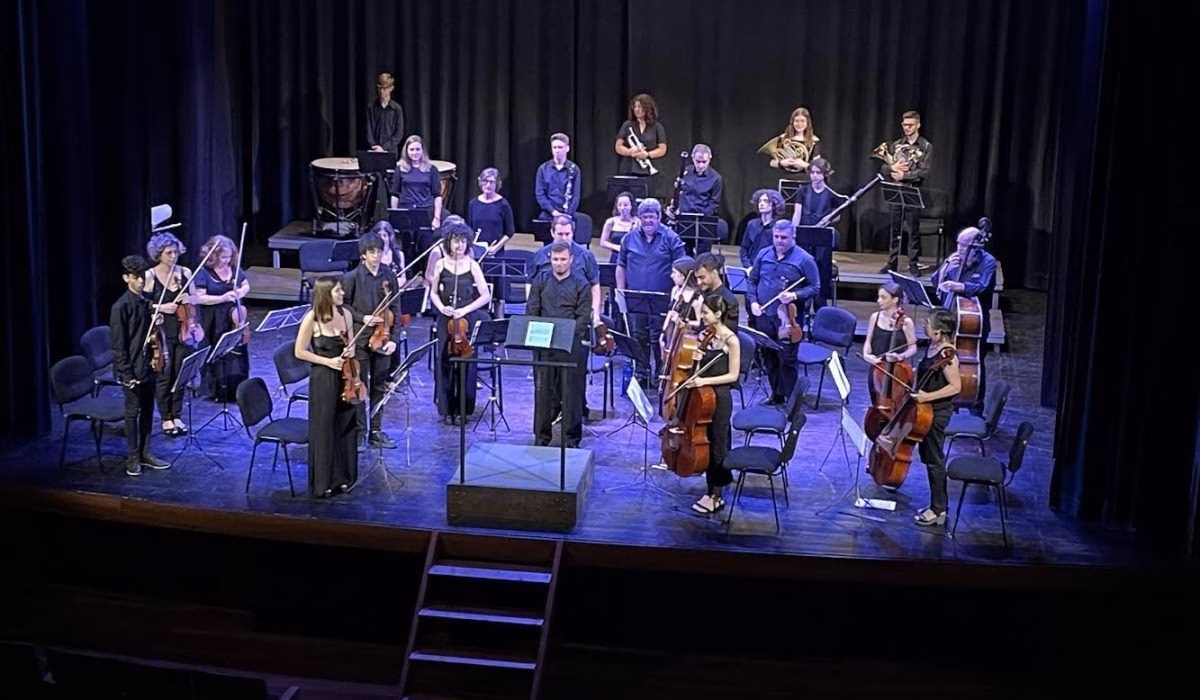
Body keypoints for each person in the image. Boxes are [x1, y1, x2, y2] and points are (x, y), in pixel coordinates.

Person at [674, 294, 741, 515]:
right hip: (703, 396)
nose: (701, 316)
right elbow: (696, 371)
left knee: (718, 444)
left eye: (705, 313)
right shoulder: (705, 336)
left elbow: (733, 376)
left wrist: (704, 381)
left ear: (718, 314)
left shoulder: (731, 340)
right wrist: (696, 360)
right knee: (706, 444)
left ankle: (717, 495)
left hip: (720, 398)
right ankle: (708, 489)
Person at [293, 277, 359, 498]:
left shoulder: (345, 314)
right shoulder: (312, 318)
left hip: (346, 376)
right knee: (324, 428)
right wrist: (328, 362)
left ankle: (343, 477)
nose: (342, 294)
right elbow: (300, 352)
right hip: (323, 376)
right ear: (325, 294)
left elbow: (351, 343)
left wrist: (351, 351)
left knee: (345, 425)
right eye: (338, 291)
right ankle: (323, 482)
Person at [746, 220, 821, 405]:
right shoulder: (763, 254)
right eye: (776, 237)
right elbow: (752, 281)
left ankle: (792, 401)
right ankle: (776, 395)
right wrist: (754, 302)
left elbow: (816, 287)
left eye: (784, 238)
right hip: (765, 315)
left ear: (793, 237)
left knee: (787, 360)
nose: (779, 241)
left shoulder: (804, 259)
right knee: (769, 356)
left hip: (788, 318)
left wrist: (795, 294)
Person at [528, 241, 593, 448]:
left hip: (570, 345)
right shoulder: (541, 280)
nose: (559, 263)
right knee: (543, 393)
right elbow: (532, 310)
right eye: (555, 259)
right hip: (544, 344)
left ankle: (572, 439)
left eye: (563, 259)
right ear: (550, 259)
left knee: (571, 393)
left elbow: (583, 317)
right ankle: (541, 437)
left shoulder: (581, 284)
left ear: (571, 260)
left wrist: (564, 335)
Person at [615, 198, 687, 385]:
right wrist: (620, 292)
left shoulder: (671, 238)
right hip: (635, 298)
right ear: (638, 218)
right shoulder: (628, 239)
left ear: (659, 217)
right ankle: (642, 372)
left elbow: (683, 269)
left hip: (662, 299)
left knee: (658, 337)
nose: (648, 221)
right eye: (644, 217)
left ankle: (659, 373)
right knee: (638, 336)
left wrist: (678, 296)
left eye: (651, 217)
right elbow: (620, 266)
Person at [110, 255, 170, 476]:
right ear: (126, 278)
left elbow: (150, 333)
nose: (141, 281)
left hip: (148, 365)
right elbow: (118, 346)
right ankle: (132, 457)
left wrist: (157, 322)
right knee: (132, 413)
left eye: (143, 276)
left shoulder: (146, 302)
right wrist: (126, 373)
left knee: (147, 411)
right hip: (132, 369)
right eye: (136, 277)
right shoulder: (120, 307)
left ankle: (146, 453)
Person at [341, 231, 401, 449]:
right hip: (360, 338)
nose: (376, 256)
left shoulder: (389, 276)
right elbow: (343, 306)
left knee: (378, 386)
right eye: (371, 252)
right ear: (363, 255)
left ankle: (376, 430)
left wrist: (393, 338)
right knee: (360, 386)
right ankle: (359, 432)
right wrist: (362, 317)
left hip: (383, 339)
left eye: (378, 251)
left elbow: (395, 307)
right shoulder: (351, 278)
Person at [430, 222, 492, 424]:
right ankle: (447, 409)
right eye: (456, 241)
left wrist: (464, 310)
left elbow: (485, 296)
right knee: (444, 362)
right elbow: (433, 293)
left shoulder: (473, 265)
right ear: (449, 242)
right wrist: (442, 308)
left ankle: (464, 408)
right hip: (446, 318)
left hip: (466, 318)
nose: (460, 245)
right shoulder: (441, 264)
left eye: (464, 241)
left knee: (466, 363)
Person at [931, 226, 997, 414]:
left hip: (974, 323)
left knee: (975, 363)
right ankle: (949, 404)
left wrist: (959, 286)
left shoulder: (988, 262)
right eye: (959, 244)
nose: (959, 249)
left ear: (975, 247)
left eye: (964, 246)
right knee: (947, 362)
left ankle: (975, 405)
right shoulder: (955, 259)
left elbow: (982, 287)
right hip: (952, 319)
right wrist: (945, 269)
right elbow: (937, 283)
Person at [143, 232, 198, 438]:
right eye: (168, 253)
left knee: (180, 375)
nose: (173, 256)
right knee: (165, 377)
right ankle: (166, 417)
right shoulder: (150, 276)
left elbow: (196, 298)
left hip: (184, 330)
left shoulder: (185, 272)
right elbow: (143, 305)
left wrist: (189, 298)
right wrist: (160, 306)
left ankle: (177, 415)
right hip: (162, 333)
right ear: (159, 254)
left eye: (175, 252)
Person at [910, 308, 962, 526]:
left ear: (940, 331)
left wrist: (927, 396)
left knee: (934, 460)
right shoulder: (933, 346)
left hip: (937, 412)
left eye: (928, 322)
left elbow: (956, 387)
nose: (924, 324)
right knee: (929, 457)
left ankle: (938, 509)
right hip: (926, 409)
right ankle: (937, 505)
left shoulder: (947, 354)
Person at [192, 235, 251, 402]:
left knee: (236, 353)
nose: (227, 260)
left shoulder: (234, 268)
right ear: (213, 256)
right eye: (223, 257)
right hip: (213, 320)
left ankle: (237, 389)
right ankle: (216, 390)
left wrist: (240, 292)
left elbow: (246, 285)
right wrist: (223, 298)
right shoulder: (204, 272)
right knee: (216, 353)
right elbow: (199, 298)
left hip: (234, 318)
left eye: (229, 256)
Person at [879, 110, 933, 274]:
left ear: (918, 125)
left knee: (912, 230)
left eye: (910, 125)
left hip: (912, 191)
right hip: (896, 189)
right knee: (895, 228)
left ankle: (913, 263)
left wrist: (905, 175)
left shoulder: (925, 146)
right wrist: (891, 168)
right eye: (904, 125)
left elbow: (925, 171)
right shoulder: (896, 145)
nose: (907, 128)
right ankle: (892, 261)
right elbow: (883, 166)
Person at [669, 144, 728, 255]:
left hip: (703, 222)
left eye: (704, 162)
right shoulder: (685, 172)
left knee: (703, 257)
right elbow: (679, 193)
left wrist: (700, 217)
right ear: (692, 158)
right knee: (684, 255)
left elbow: (714, 203)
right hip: (684, 220)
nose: (701, 165)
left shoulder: (716, 178)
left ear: (710, 159)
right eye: (698, 161)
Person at [861, 281, 918, 397]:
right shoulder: (875, 317)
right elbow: (868, 341)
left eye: (883, 297)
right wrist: (866, 356)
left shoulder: (906, 322)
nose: (879, 301)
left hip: (897, 370)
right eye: (879, 297)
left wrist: (901, 356)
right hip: (876, 368)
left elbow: (913, 347)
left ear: (895, 300)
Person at [535, 133, 592, 240]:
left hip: (568, 214)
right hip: (549, 213)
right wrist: (553, 212)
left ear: (567, 148)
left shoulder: (574, 169)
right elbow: (540, 195)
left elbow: (576, 196)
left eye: (560, 147)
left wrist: (567, 214)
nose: (557, 150)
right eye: (554, 147)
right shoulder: (543, 169)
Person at [614, 93, 667, 195]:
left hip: (650, 171)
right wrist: (630, 152)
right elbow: (618, 146)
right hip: (629, 169)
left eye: (640, 107)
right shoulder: (627, 125)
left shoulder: (657, 127)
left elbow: (662, 149)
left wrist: (647, 154)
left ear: (648, 108)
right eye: (635, 107)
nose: (637, 110)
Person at [390, 134, 443, 232]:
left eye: (418, 149)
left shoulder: (432, 169)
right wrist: (395, 216)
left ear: (423, 150)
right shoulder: (399, 169)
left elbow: (437, 196)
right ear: (406, 151)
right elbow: (395, 194)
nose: (415, 152)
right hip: (406, 212)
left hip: (426, 212)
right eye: (412, 149)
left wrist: (437, 218)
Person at [467, 167, 515, 256]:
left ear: (497, 184)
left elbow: (510, 232)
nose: (488, 185)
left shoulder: (503, 204)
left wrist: (496, 248)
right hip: (476, 252)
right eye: (485, 181)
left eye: (491, 182)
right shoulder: (473, 204)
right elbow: (469, 229)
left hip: (495, 252)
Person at [758, 106, 821, 174]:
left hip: (805, 179)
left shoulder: (814, 141)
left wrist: (803, 164)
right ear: (792, 122)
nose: (799, 124)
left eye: (802, 121)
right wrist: (781, 163)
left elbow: (818, 168)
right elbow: (770, 163)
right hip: (784, 177)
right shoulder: (783, 138)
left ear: (807, 123)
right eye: (796, 121)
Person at [659, 256, 699, 357]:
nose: (671, 276)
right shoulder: (675, 290)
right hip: (671, 336)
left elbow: (700, 323)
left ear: (683, 276)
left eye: (674, 272)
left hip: (687, 340)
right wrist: (662, 336)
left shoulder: (698, 298)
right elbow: (670, 313)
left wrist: (682, 321)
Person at [790, 157, 846, 229]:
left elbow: (837, 217)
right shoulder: (802, 191)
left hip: (822, 230)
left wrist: (826, 222)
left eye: (818, 172)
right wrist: (793, 231)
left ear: (825, 174)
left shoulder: (832, 193)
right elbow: (797, 214)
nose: (815, 176)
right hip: (804, 229)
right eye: (812, 172)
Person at [739, 189, 786, 268]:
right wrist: (748, 266)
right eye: (760, 201)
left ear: (774, 204)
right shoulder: (752, 224)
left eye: (765, 201)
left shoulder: (779, 226)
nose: (761, 204)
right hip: (751, 268)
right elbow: (744, 248)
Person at [695, 252, 740, 333]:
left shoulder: (729, 301)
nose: (698, 282)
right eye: (697, 278)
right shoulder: (702, 294)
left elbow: (728, 335)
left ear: (714, 274)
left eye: (702, 277)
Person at [366, 72, 404, 155]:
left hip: (390, 151)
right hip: (373, 150)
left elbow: (399, 133)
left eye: (385, 88)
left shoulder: (396, 109)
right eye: (380, 88)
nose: (382, 91)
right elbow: (368, 129)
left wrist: (384, 147)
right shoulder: (371, 107)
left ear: (391, 88)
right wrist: (374, 146)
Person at [599, 191, 636, 263]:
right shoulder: (610, 222)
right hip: (616, 257)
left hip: (632, 258)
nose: (622, 208)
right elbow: (603, 242)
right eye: (619, 205)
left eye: (625, 205)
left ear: (631, 206)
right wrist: (617, 247)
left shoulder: (638, 222)